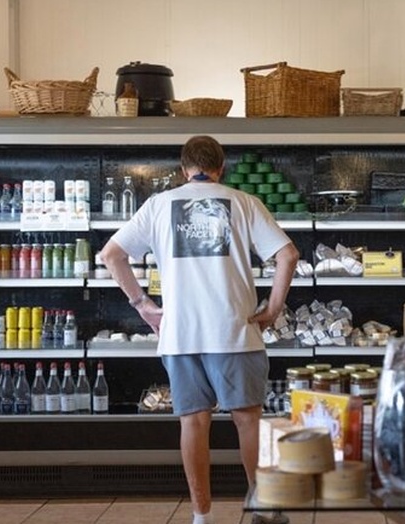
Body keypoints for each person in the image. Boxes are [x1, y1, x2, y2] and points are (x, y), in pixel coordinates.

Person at [101, 135, 299, 524]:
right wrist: (273, 308)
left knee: (193, 423)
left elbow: (111, 254)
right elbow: (288, 255)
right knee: (248, 420)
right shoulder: (244, 202)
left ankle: (201, 516)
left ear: (183, 170)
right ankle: (263, 508)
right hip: (235, 332)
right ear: (221, 168)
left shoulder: (158, 205)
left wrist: (143, 305)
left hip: (180, 334)